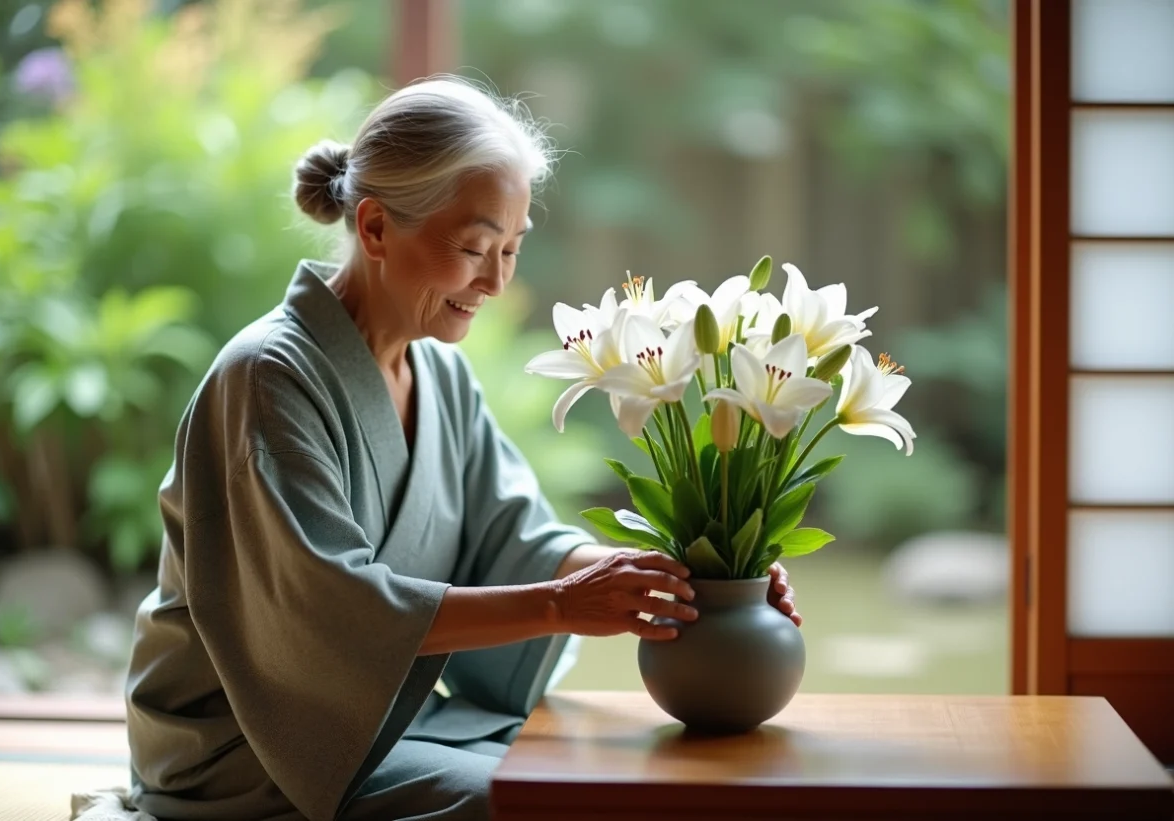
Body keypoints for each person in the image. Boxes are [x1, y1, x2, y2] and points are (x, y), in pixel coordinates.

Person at [123, 76, 801, 821]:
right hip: (249, 740)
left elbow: (516, 535)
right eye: (476, 246)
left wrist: (682, 575)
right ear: (376, 228)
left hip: (384, 718)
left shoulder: (438, 371)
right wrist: (558, 605)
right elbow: (330, 611)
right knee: (522, 802)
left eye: (512, 247)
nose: (498, 279)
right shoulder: (266, 378)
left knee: (602, 767)